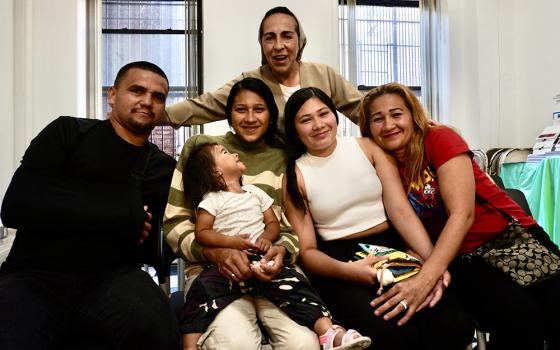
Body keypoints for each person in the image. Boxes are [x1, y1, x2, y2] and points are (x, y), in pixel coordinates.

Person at [360, 82, 560, 350]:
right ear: (367, 127)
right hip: (459, 255)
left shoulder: (439, 138)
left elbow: (462, 215)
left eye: (396, 114)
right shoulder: (380, 161)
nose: (388, 125)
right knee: (521, 318)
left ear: (412, 115)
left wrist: (426, 279)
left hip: (509, 238)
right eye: (377, 119)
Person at [0, 61, 181, 350]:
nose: (147, 101)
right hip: (34, 274)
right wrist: (121, 213)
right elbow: (18, 205)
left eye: (158, 97)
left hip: (114, 276)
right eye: (137, 90)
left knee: (159, 332)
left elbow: (161, 239)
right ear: (112, 95)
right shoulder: (68, 133)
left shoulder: (164, 169)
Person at [282, 87, 473, 350]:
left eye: (323, 114)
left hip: (392, 248)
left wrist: (433, 268)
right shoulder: (295, 174)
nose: (318, 125)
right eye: (305, 120)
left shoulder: (368, 147)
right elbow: (309, 252)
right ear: (294, 129)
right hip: (339, 262)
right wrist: (350, 272)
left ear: (335, 115)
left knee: (450, 323)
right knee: (389, 334)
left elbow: (401, 211)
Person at [164, 77, 321, 349]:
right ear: (228, 115)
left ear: (272, 115)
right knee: (235, 343)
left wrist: (281, 249)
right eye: (240, 109)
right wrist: (215, 253)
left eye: (259, 109)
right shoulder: (201, 149)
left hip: (271, 270)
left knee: (304, 344)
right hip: (213, 274)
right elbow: (175, 223)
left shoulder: (285, 159)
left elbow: (290, 227)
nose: (250, 118)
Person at [179, 142, 371, 350]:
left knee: (298, 285)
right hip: (228, 267)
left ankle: (329, 333)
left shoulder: (255, 192)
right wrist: (230, 244)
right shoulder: (212, 200)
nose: (234, 153)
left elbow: (272, 223)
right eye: (224, 153)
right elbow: (202, 232)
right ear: (216, 171)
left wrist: (267, 239)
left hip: (262, 261)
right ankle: (190, 345)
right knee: (201, 291)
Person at [164, 6, 363, 138]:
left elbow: (363, 110)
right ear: (262, 44)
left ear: (299, 40)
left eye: (287, 36)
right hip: (277, 176)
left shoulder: (324, 74)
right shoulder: (251, 81)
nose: (278, 46)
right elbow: (205, 105)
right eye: (269, 38)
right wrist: (158, 115)